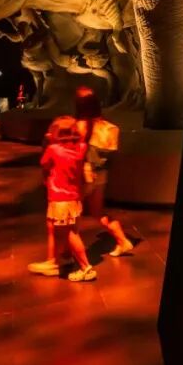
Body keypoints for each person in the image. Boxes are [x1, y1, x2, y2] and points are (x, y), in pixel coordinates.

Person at [46, 87, 134, 255]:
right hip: (101, 174)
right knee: (97, 212)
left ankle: (69, 252)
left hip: (82, 175)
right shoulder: (110, 128)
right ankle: (122, 240)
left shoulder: (77, 126)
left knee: (71, 214)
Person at [28, 126, 97, 281]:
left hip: (60, 197)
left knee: (69, 233)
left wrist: (48, 141)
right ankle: (63, 258)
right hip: (73, 196)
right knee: (60, 229)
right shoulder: (81, 147)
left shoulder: (53, 149)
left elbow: (44, 163)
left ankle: (86, 268)